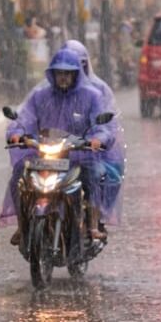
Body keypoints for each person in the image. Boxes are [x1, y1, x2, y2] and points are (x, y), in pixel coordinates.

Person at [2, 48, 114, 244]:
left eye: (67, 73)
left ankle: (93, 225)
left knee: (95, 174)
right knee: (19, 175)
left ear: (76, 74)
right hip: (44, 155)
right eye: (59, 73)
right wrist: (16, 134)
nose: (63, 78)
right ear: (52, 74)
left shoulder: (92, 96)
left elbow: (101, 126)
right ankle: (22, 225)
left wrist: (98, 139)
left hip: (79, 155)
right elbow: (23, 119)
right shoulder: (39, 96)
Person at [62, 40, 125, 230]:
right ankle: (25, 225)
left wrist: (100, 139)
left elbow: (108, 123)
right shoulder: (48, 92)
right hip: (57, 151)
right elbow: (30, 116)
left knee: (103, 176)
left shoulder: (99, 90)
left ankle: (93, 221)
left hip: (89, 151)